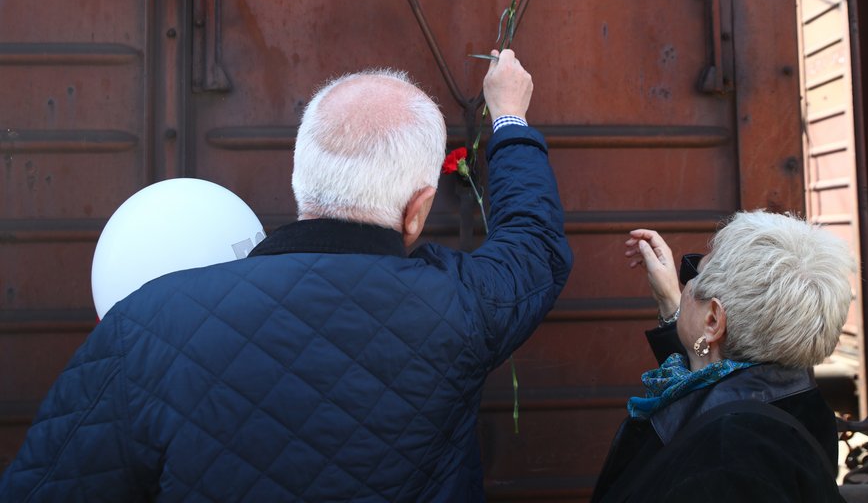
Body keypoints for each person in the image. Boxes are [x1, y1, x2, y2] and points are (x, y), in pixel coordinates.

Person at [0, 50, 573, 502]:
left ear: (301, 179)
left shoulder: (146, 322)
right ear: (418, 209)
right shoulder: (461, 308)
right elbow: (533, 246)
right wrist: (508, 117)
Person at [591, 211, 855, 503]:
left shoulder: (726, 458)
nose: (685, 284)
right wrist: (670, 302)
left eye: (694, 273)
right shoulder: (800, 403)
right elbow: (711, 386)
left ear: (714, 319)